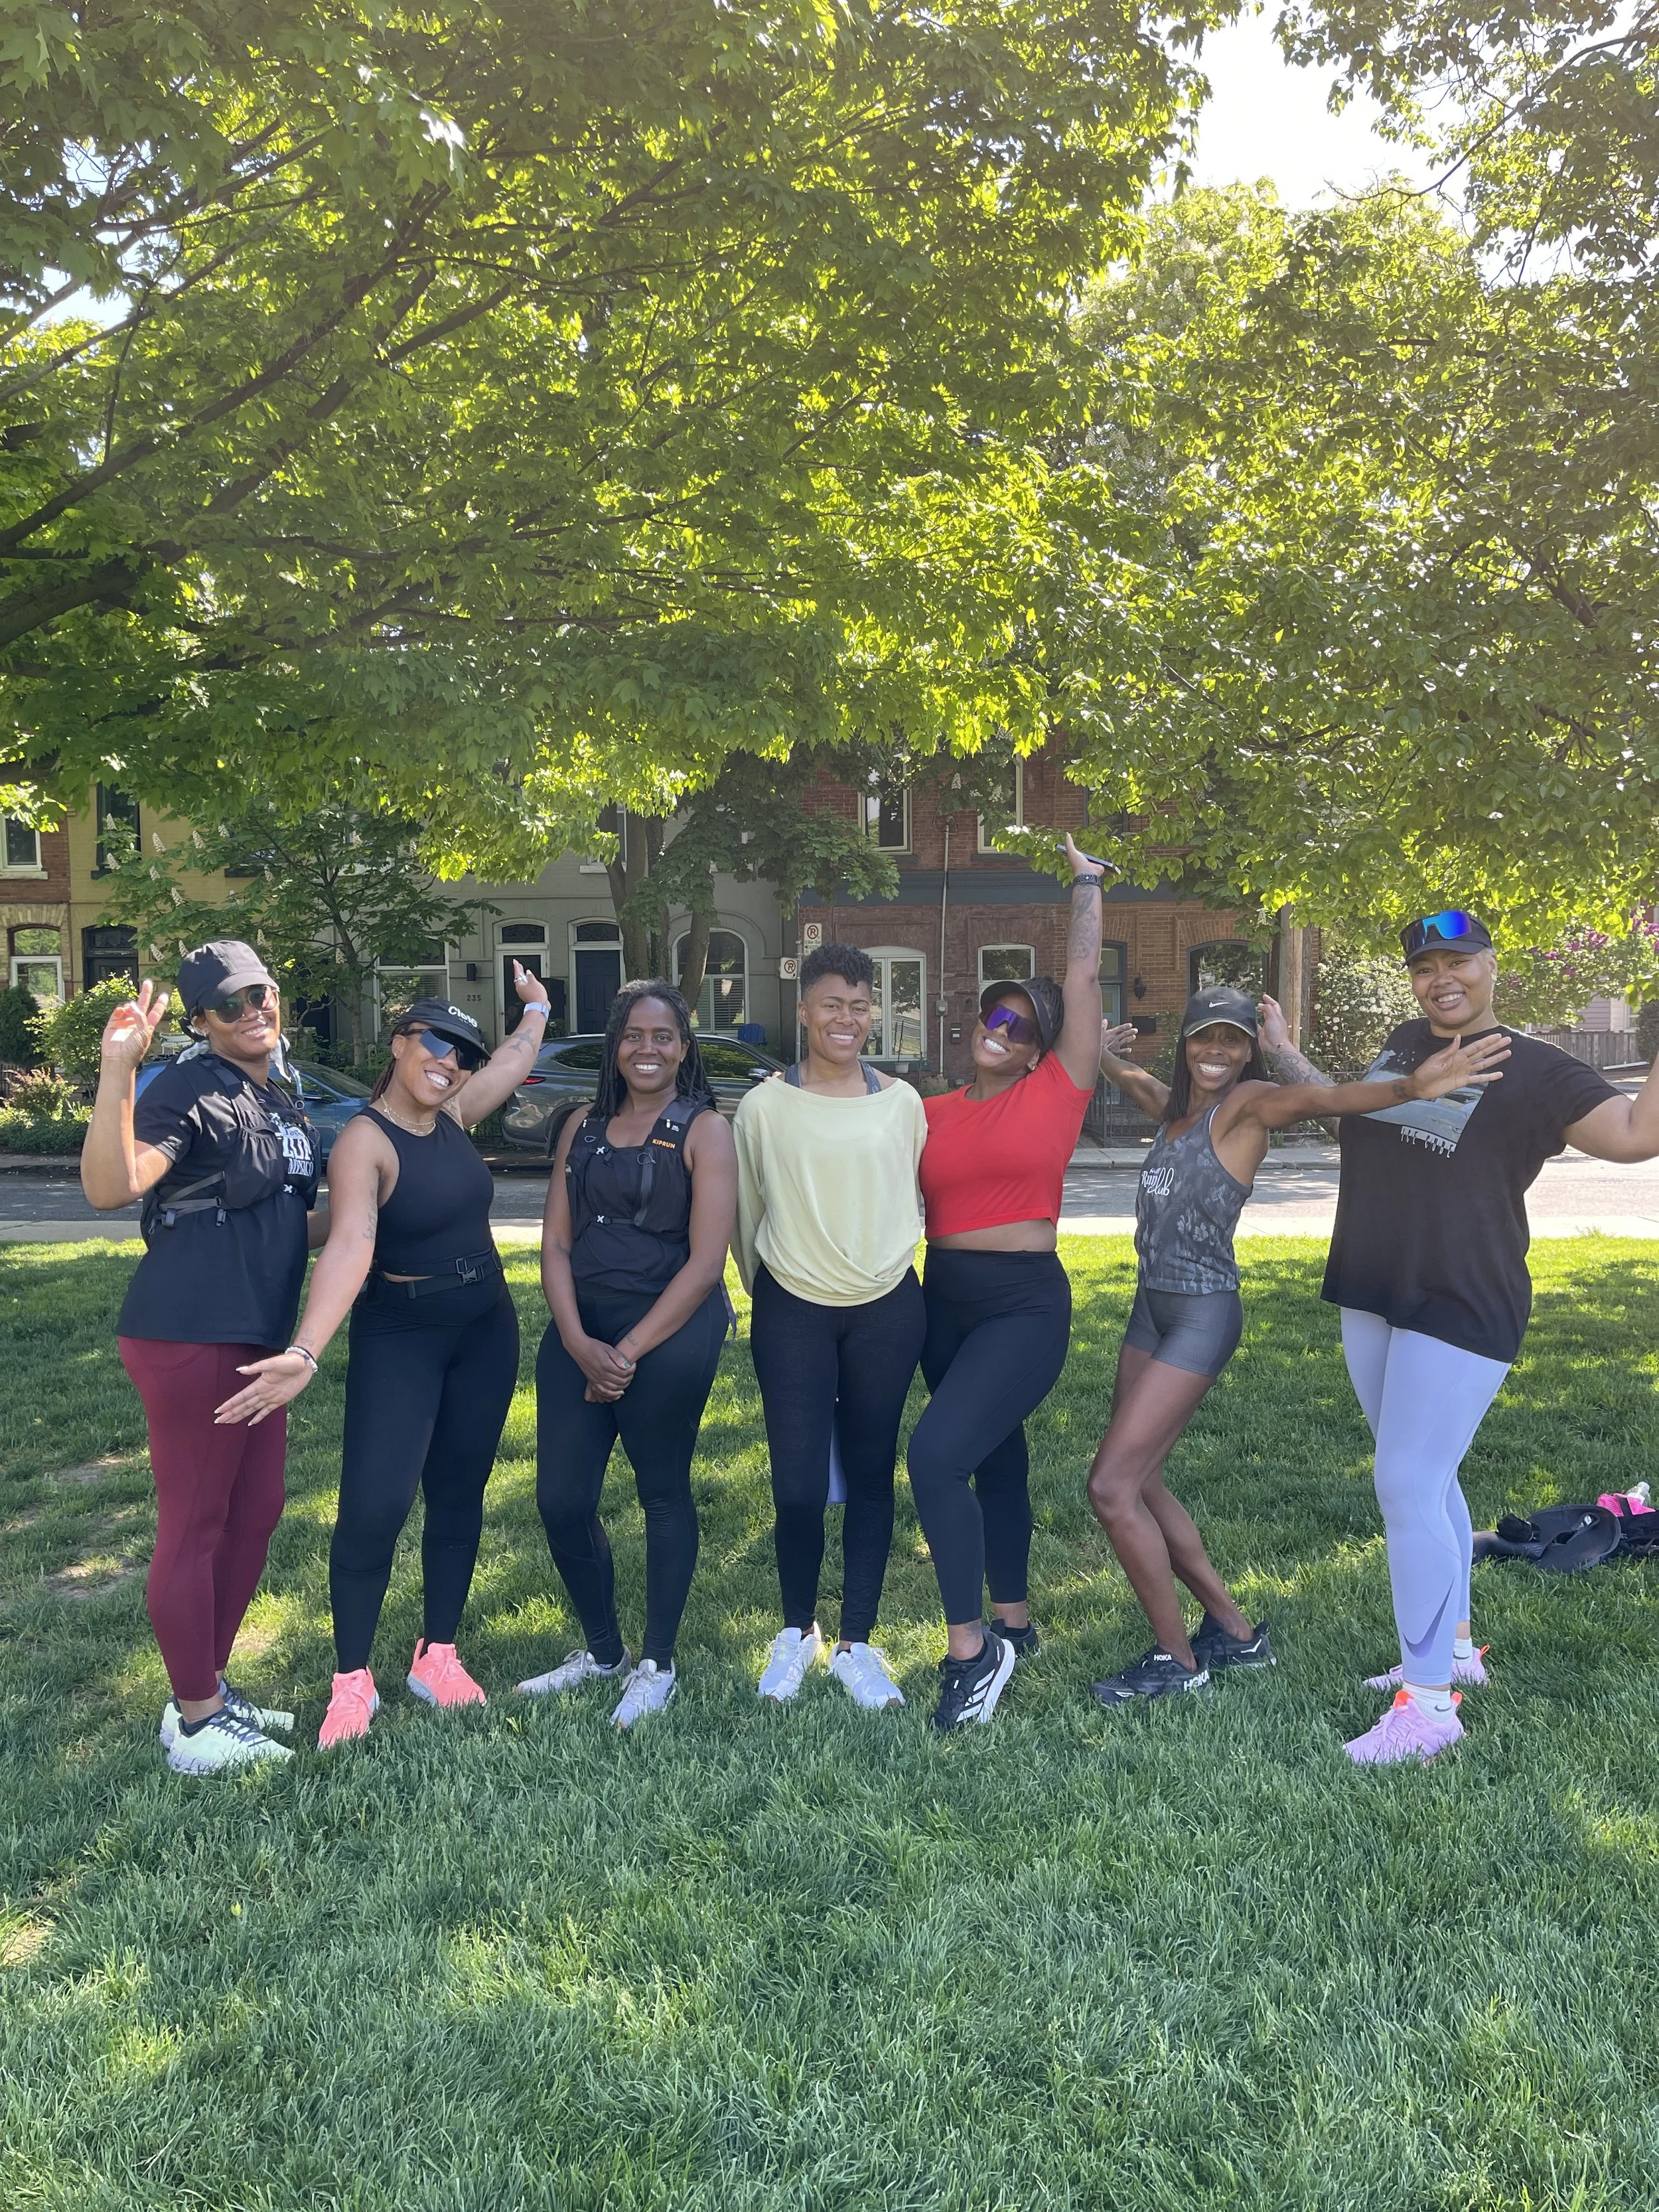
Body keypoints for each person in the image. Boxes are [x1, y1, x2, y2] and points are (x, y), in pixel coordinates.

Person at [1269, 909, 1659, 1763]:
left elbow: (1637, 1136)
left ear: (1491, 963)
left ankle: (1429, 1710)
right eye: (1423, 965)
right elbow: (1354, 1115)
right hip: (1373, 1283)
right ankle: (1451, 1653)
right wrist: (1281, 1049)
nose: (1440, 978)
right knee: (1425, 1475)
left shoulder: (1543, 1070)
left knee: (1404, 1483)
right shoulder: (1406, 1042)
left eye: (1457, 961)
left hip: (1463, 1295)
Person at [1089, 982, 1508, 1710]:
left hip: (1200, 1316)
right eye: (1204, 1039)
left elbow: (1331, 1102)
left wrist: (1412, 1086)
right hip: (1148, 1311)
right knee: (1142, 1481)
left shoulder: (1249, 1105)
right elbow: (1131, 1077)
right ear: (1185, 1044)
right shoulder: (1175, 1111)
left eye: (1232, 1041)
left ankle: (1177, 1660)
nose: (1217, 1052)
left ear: (1247, 1051)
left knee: (1111, 1488)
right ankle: (1235, 1633)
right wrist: (1098, 1054)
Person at [214, 968, 552, 1745]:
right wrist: (306, 1347)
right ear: (400, 1043)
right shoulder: (366, 1139)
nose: (452, 1062)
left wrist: (534, 1010)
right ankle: (352, 1680)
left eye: (461, 1053)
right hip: (402, 1336)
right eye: (437, 1043)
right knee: (373, 1509)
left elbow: (509, 1061)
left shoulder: (456, 1115)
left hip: (485, 1331)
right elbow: (354, 1243)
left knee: (459, 1495)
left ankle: (438, 1654)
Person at [80, 942, 325, 1775]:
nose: (255, 1009)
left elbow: (286, 1219)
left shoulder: (280, 1095)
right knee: (197, 1522)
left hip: (258, 1334)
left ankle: (210, 1686)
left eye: (263, 992)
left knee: (255, 1512)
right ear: (200, 1022)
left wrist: (378, 1209)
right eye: (232, 1004)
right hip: (191, 1330)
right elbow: (115, 1187)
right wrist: (121, 1069)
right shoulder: (186, 1087)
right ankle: (194, 1721)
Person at [906, 833, 1107, 1729]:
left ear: (1041, 1047)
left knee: (936, 1456)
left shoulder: (1058, 1089)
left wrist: (1086, 885)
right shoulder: (928, 1111)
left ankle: (971, 1655)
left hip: (1023, 1302)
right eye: (994, 1015)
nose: (1002, 1029)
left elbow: (1086, 979)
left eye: (1021, 1024)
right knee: (996, 1458)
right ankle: (1016, 1623)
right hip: (940, 1301)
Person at [517, 982, 737, 1728]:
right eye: (633, 1035)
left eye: (663, 1036)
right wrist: (580, 1344)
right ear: (615, 1046)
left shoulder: (705, 1131)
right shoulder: (580, 1124)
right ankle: (603, 1650)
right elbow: (554, 1241)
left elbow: (706, 1263)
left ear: (684, 1047)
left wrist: (628, 1353)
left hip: (670, 1331)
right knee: (561, 1500)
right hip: (582, 1329)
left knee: (661, 1492)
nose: (648, 1049)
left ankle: (657, 1661)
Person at [733, 942, 928, 1709]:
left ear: (871, 1013)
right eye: (831, 1005)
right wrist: (774, 1292)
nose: (845, 1018)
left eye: (859, 1005)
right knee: (798, 1482)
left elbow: (908, 1191)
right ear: (804, 1011)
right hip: (791, 1308)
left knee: (874, 1471)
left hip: (887, 1306)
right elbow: (747, 1212)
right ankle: (797, 1632)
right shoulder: (762, 1107)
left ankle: (857, 1641)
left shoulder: (901, 1103)